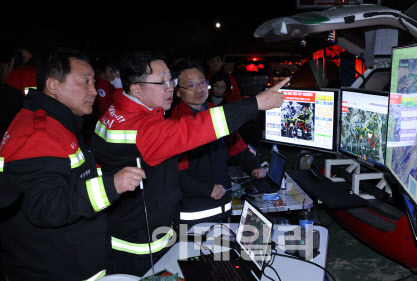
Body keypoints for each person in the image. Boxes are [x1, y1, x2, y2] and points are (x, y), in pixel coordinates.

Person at [91, 50, 288, 276]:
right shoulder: (143, 127)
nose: (168, 88)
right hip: (140, 245)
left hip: (133, 228)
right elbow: (193, 130)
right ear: (136, 89)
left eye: (170, 80)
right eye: (161, 82)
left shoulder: (117, 113)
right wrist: (256, 103)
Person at [0, 47, 146, 281]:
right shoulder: (38, 133)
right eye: (85, 82)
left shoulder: (59, 123)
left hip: (73, 259)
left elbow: (70, 179)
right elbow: (45, 206)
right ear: (53, 86)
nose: (94, 91)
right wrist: (112, 185)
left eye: (93, 82)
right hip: (56, 267)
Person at [169, 59, 267, 227]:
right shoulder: (176, 124)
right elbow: (174, 173)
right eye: (191, 86)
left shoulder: (214, 110)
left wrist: (253, 166)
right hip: (195, 213)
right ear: (177, 91)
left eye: (202, 83)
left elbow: (235, 143)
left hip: (223, 205)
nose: (199, 89)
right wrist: (206, 190)